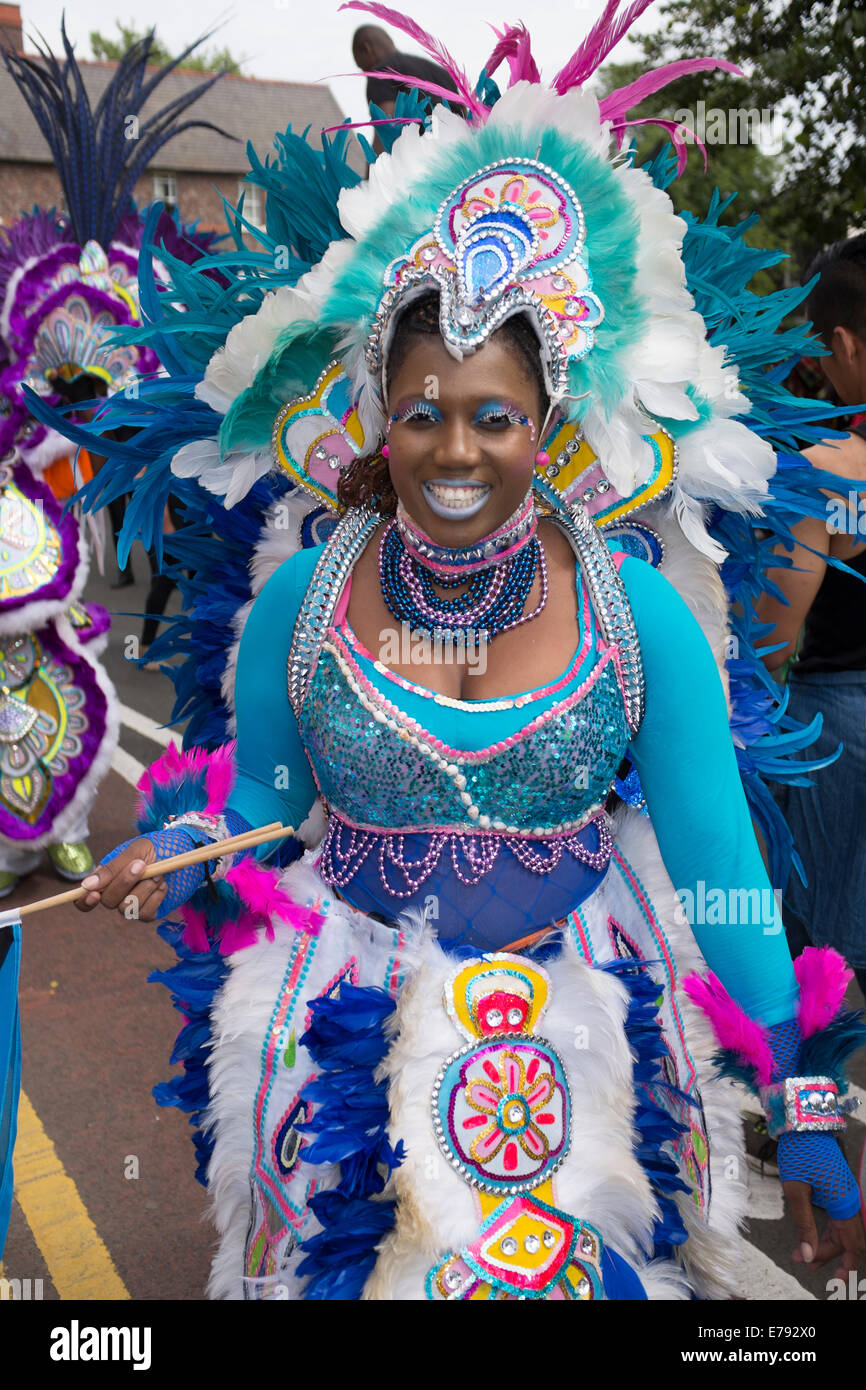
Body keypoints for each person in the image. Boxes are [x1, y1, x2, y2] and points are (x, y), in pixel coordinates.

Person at [50, 3, 865, 1301]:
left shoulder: (637, 612)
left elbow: (717, 866)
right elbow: (265, 807)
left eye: (494, 415)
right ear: (381, 412)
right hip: (348, 1038)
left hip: (586, 1036)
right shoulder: (302, 605)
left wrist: (803, 1085)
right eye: (423, 412)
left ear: (546, 423)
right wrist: (177, 842)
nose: (456, 448)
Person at [0, 24, 229, 893]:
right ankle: (23, 837)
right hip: (26, 542)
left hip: (64, 587)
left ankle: (56, 830)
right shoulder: (25, 415)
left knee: (68, 692)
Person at [758, 234, 866, 998]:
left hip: (833, 736)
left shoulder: (827, 470)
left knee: (813, 959)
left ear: (845, 344)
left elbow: (774, 635)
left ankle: (809, 1115)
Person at [352, 22, 462, 157]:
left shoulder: (381, 74)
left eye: (361, 66)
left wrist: (372, 175)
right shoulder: (440, 72)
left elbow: (386, 129)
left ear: (367, 49)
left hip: (423, 164)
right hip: (461, 158)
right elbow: (464, 115)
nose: (364, 72)